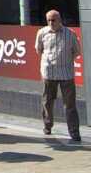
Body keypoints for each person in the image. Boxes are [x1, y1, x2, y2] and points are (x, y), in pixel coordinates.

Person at [34, 9, 82, 142]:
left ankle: (74, 132)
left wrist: (66, 61)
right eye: (48, 20)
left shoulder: (69, 34)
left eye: (53, 20)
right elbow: (39, 50)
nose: (51, 23)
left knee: (70, 104)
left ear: (60, 20)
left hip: (66, 73)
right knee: (47, 101)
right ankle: (47, 125)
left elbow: (77, 52)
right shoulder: (42, 33)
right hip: (49, 72)